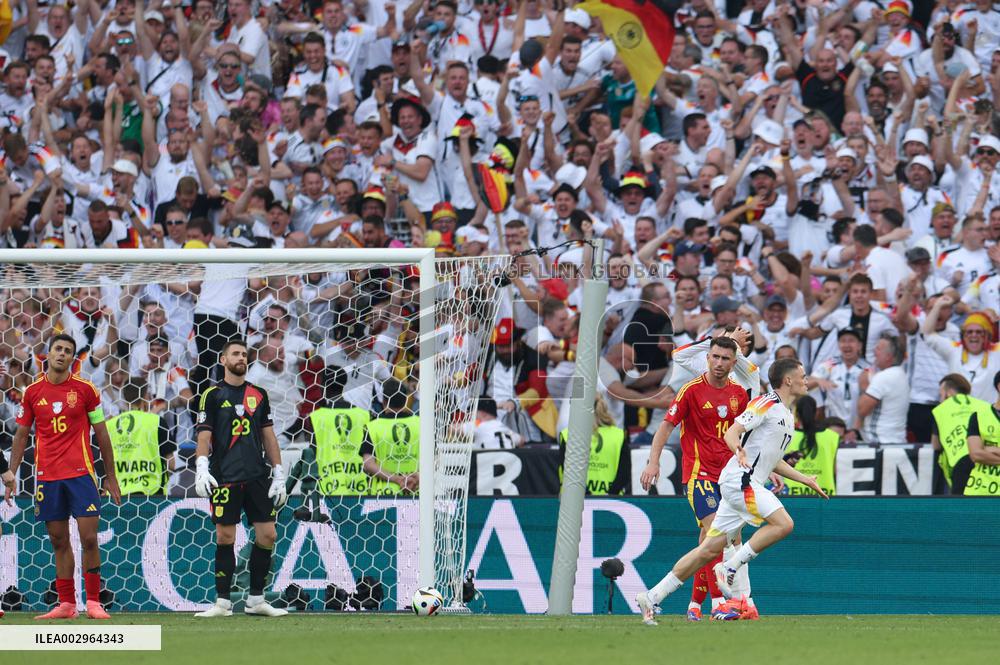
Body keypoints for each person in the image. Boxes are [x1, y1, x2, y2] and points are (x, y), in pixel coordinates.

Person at [636, 359, 828, 627]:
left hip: (745, 482)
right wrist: (737, 448)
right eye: (803, 376)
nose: (806, 380)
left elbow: (774, 459)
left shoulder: (784, 413)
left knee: (708, 550)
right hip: (741, 480)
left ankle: (652, 595)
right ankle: (729, 567)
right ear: (787, 380)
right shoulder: (765, 403)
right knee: (784, 524)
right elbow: (733, 431)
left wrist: (805, 479)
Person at [5, 334, 121, 620]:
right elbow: (21, 435)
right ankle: (67, 604)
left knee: (89, 537)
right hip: (47, 476)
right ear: (48, 354)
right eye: (58, 349)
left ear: (72, 358)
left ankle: (93, 602)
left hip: (81, 474)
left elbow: (102, 433)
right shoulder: (32, 392)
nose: (62, 354)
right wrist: (12, 472)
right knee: (58, 540)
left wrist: (111, 475)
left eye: (68, 351)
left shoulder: (85, 390)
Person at [639, 336, 750, 621]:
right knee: (721, 534)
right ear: (708, 358)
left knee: (710, 541)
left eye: (725, 358)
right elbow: (665, 427)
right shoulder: (690, 390)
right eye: (714, 357)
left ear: (733, 363)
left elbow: (747, 438)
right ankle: (727, 602)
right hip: (699, 474)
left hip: (728, 477)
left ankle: (691, 604)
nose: (719, 363)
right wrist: (653, 462)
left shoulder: (740, 393)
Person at [193, 339, 288, 618]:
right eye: (235, 354)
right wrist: (202, 466)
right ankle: (222, 603)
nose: (241, 358)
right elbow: (204, 435)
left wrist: (279, 472)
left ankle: (256, 599)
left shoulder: (258, 394)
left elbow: (268, 435)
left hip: (257, 475)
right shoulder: (211, 395)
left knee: (268, 534)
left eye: (244, 354)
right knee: (225, 536)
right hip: (225, 477)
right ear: (223, 360)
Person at [106, 379, 174, 496]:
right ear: (145, 397)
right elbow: (171, 464)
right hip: (152, 494)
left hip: (116, 496)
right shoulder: (157, 422)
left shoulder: (109, 425)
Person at [558, 394, 629, 496]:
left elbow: (570, 474)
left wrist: (589, 497)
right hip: (613, 502)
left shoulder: (569, 435)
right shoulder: (618, 435)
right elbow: (624, 474)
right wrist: (609, 495)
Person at [361, 379, 420, 495]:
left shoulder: (373, 426)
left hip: (383, 495)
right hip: (416, 492)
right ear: (406, 400)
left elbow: (368, 464)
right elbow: (436, 460)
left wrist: (396, 479)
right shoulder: (421, 424)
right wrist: (416, 477)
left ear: (384, 401)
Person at [930, 374, 985, 495]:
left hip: (961, 463)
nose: (940, 398)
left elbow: (936, 445)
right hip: (986, 459)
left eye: (940, 394)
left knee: (961, 508)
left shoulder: (941, 409)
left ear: (948, 392)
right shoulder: (983, 404)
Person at [784, 396, 839, 496]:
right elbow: (837, 471)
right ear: (817, 412)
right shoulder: (832, 436)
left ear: (797, 414)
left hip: (792, 494)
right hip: (825, 494)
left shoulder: (787, 435)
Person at [963, 370, 1000, 496]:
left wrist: (990, 449)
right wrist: (982, 451)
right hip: (980, 490)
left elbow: (980, 452)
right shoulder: (978, 416)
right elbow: (976, 454)